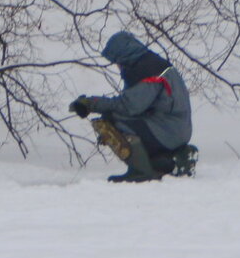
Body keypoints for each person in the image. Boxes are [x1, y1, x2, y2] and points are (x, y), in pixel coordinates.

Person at [69, 31, 197, 182]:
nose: (117, 66)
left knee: (112, 121)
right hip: (176, 129)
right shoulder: (155, 65)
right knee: (120, 118)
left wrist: (91, 104)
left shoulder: (148, 71)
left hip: (168, 131)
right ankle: (172, 161)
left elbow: (129, 106)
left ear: (123, 56)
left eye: (117, 61)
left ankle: (141, 171)